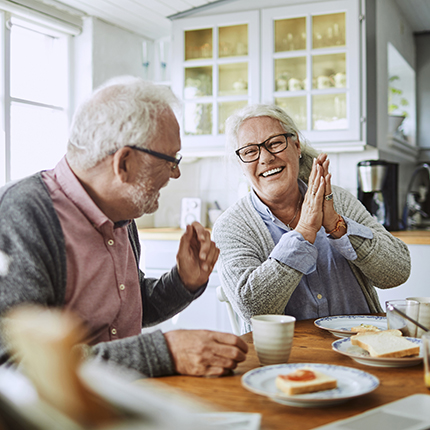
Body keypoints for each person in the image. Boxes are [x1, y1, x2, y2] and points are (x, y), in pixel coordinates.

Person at [0, 76, 247, 376]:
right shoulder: (21, 215)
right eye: (171, 160)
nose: (177, 173)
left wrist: (184, 281)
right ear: (124, 164)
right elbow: (15, 363)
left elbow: (127, 311)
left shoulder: (120, 211)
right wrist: (164, 352)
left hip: (126, 404)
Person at [213, 104, 411, 332]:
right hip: (287, 362)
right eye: (250, 151)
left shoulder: (338, 200)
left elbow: (397, 272)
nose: (266, 158)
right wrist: (304, 232)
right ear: (241, 163)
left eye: (275, 143)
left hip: (363, 347)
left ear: (296, 145)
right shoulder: (231, 226)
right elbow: (253, 308)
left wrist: (339, 226)